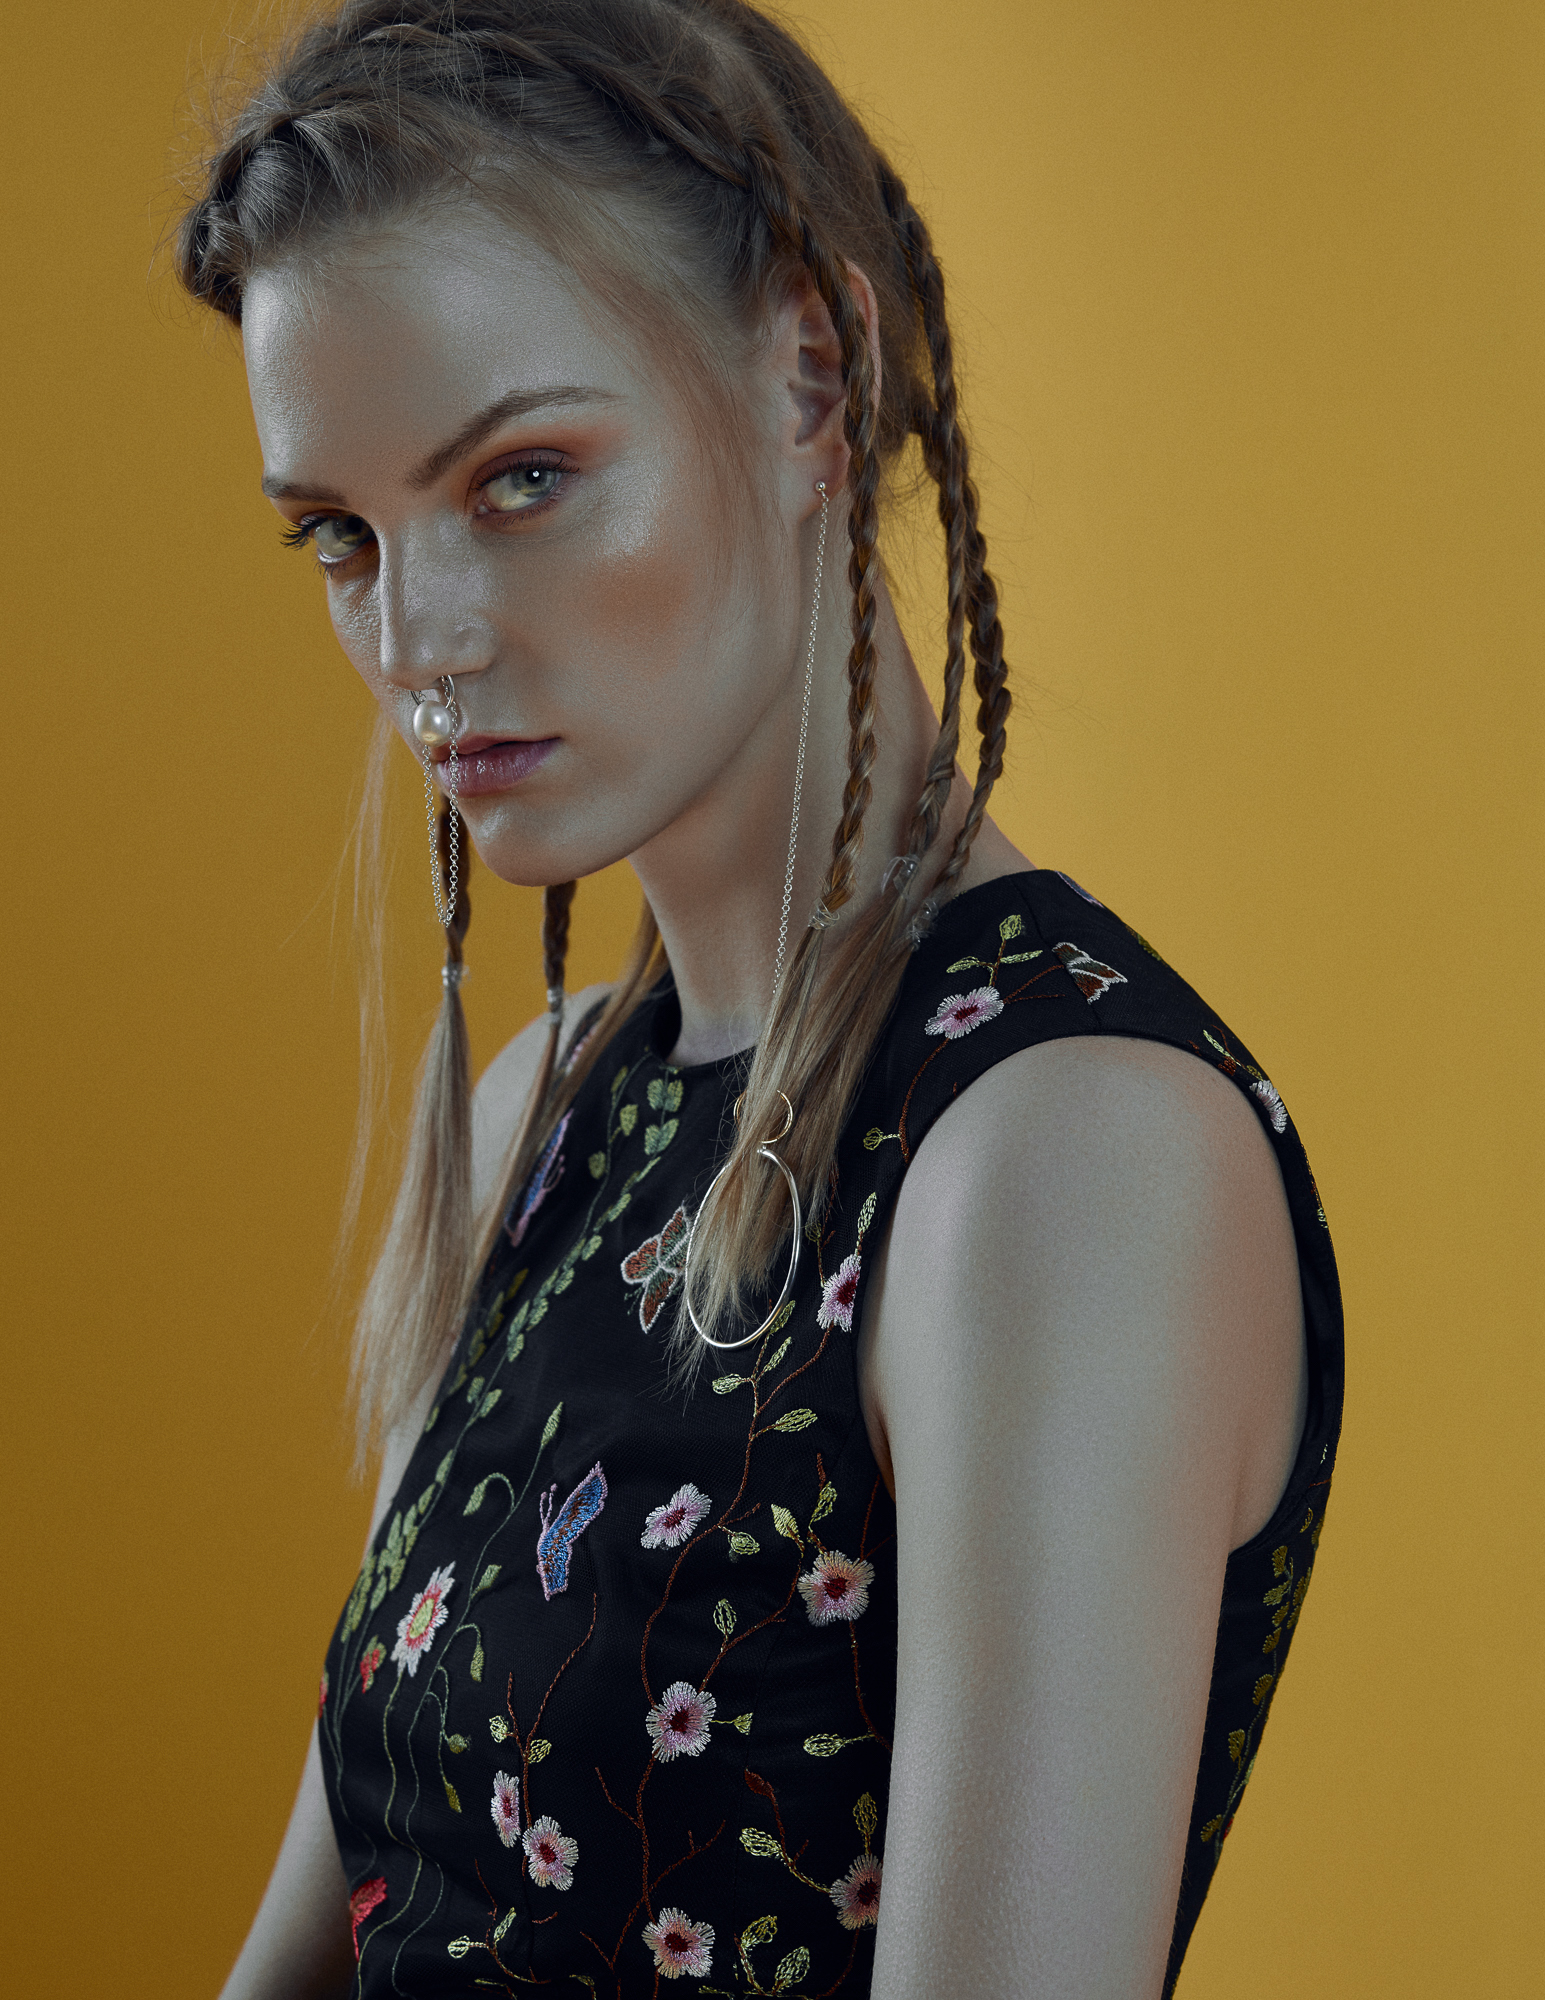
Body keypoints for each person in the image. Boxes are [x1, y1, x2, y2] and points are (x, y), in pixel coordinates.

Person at [176, 2, 1343, 1994]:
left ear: (811, 384)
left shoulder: (1053, 1155)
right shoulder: (542, 1113)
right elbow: (333, 1931)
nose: (419, 638)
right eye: (341, 536)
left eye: (521, 478)